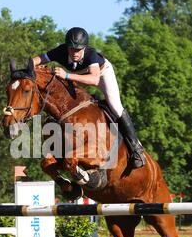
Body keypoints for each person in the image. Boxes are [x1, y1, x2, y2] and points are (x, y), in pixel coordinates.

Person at [32, 27, 146, 168]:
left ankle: (136, 148)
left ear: (84, 48)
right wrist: (26, 67)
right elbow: (39, 59)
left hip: (101, 75)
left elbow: (94, 79)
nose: (75, 53)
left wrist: (66, 76)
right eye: (72, 49)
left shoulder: (91, 54)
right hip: (79, 77)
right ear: (67, 47)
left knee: (115, 106)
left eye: (78, 50)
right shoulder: (60, 51)